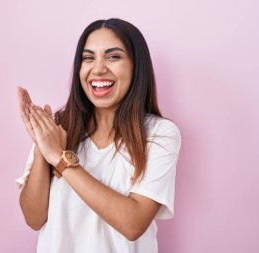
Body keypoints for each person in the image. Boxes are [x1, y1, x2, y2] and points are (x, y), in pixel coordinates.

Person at [15, 18, 181, 253]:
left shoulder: (160, 134)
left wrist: (60, 160)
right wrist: (44, 149)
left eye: (113, 57)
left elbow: (133, 223)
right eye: (88, 58)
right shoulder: (59, 127)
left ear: (136, 66)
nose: (98, 68)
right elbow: (34, 218)